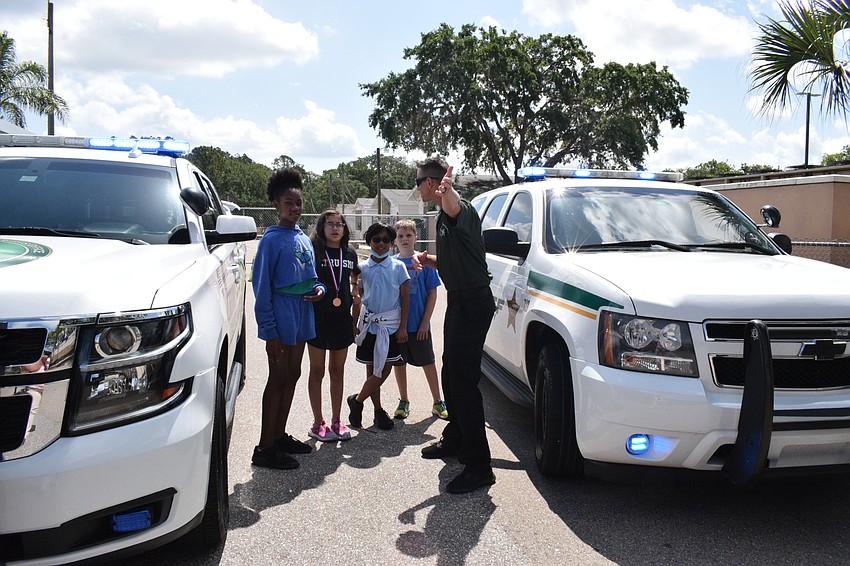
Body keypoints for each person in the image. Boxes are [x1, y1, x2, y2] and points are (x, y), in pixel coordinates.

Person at [413, 156, 497, 494]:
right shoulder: (442, 218)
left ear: (433, 184)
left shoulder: (455, 207)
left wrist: (447, 191)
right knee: (451, 374)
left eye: (419, 181)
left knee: (463, 383)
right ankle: (456, 438)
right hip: (460, 302)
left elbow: (453, 204)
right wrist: (427, 260)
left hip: (474, 303)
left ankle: (480, 467)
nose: (416, 186)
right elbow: (452, 260)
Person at [251, 168, 326, 470]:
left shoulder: (301, 237)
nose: (295, 208)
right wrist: (270, 331)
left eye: (298, 202)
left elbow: (312, 275)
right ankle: (264, 447)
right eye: (288, 202)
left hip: (302, 311)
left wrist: (319, 288)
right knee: (278, 377)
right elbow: (261, 287)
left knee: (293, 374)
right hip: (281, 314)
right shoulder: (270, 240)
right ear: (276, 205)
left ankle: (279, 436)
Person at [347, 222, 409, 430]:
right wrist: (354, 324)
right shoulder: (362, 269)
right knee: (372, 369)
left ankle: (357, 401)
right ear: (369, 241)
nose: (381, 244)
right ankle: (378, 410)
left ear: (392, 243)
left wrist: (402, 328)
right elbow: (360, 299)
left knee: (385, 368)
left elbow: (405, 299)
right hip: (370, 325)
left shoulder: (398, 266)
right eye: (376, 239)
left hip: (391, 326)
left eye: (386, 240)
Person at [306, 209, 360, 442]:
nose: (336, 228)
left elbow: (355, 275)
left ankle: (337, 420)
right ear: (322, 227)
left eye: (340, 224)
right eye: (330, 224)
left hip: (341, 320)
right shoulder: (314, 251)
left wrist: (355, 288)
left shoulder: (350, 252)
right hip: (318, 318)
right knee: (317, 371)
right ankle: (318, 422)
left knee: (337, 371)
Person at [390, 218, 447, 421]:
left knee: (428, 362)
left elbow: (432, 293)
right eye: (400, 236)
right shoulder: (392, 264)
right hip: (398, 327)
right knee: (399, 363)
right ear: (394, 241)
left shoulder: (424, 262)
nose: (404, 239)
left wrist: (425, 323)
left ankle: (438, 401)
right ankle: (404, 400)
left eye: (408, 235)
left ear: (416, 238)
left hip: (420, 325)